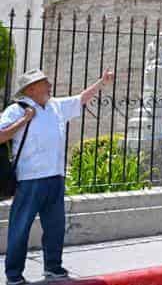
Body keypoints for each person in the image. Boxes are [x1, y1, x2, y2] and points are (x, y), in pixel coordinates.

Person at [1, 68, 113, 285]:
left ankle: (53, 268)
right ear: (31, 89)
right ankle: (14, 276)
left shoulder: (55, 106)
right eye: (44, 82)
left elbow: (81, 99)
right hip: (29, 179)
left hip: (55, 177)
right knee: (20, 228)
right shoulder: (16, 110)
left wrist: (101, 83)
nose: (50, 84)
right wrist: (24, 121)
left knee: (55, 226)